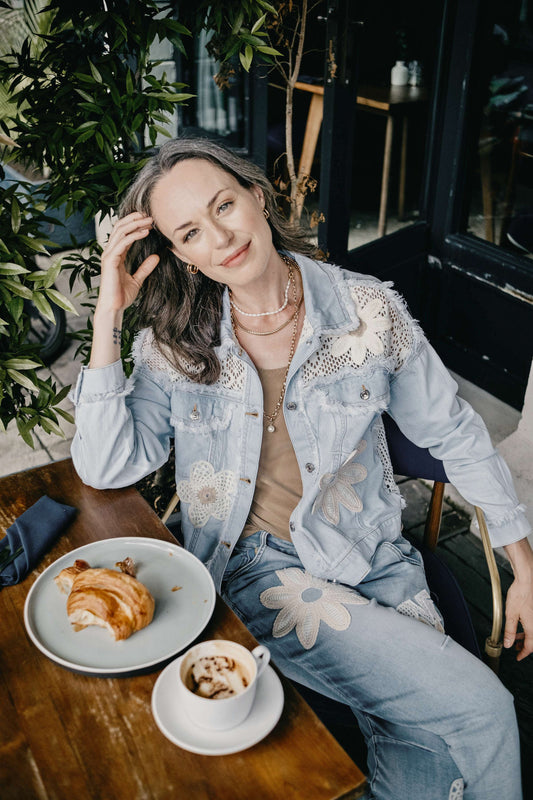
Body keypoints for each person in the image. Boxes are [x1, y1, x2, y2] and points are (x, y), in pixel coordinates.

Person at [71, 136, 532, 800]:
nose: (220, 236)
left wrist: (522, 562)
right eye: (191, 232)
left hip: (370, 560)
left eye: (224, 204)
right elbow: (106, 464)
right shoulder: (173, 341)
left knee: (431, 743)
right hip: (255, 573)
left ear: (256, 196)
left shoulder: (367, 311)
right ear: (181, 256)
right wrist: (109, 313)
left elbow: (456, 434)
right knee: (480, 710)